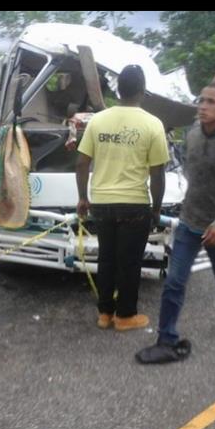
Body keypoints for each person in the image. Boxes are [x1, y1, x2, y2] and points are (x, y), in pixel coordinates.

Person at [136, 81, 215, 365]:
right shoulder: (192, 135)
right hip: (189, 224)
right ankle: (166, 340)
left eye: (211, 102)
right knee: (174, 283)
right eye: (201, 100)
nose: (203, 106)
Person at [75, 64, 169, 332]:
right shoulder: (153, 124)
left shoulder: (98, 120)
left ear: (118, 90)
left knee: (106, 259)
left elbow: (82, 164)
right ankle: (125, 316)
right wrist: (157, 208)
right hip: (134, 204)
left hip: (102, 203)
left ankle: (105, 314)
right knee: (128, 262)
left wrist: (83, 197)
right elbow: (157, 173)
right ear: (142, 91)